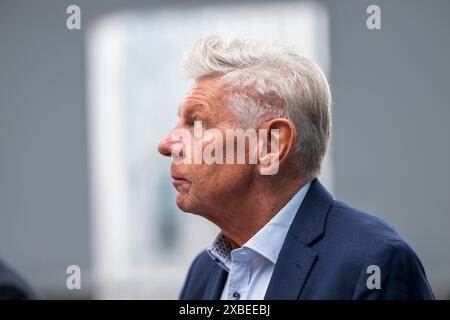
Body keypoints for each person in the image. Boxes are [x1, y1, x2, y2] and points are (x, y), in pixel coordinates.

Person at [157, 35, 435, 299]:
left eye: (197, 123)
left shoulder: (373, 264)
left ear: (270, 145)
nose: (167, 144)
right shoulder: (204, 272)